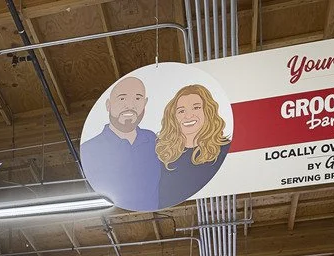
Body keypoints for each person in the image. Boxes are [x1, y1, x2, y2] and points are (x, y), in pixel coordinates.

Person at [81, 76, 163, 213]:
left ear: (145, 103)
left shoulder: (156, 142)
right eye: (122, 98)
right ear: (108, 104)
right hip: (115, 220)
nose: (130, 105)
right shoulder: (89, 150)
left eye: (137, 98)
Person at [155, 84, 231, 208]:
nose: (188, 116)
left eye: (196, 108)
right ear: (173, 117)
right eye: (181, 111)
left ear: (208, 111)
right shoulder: (161, 151)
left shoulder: (226, 149)